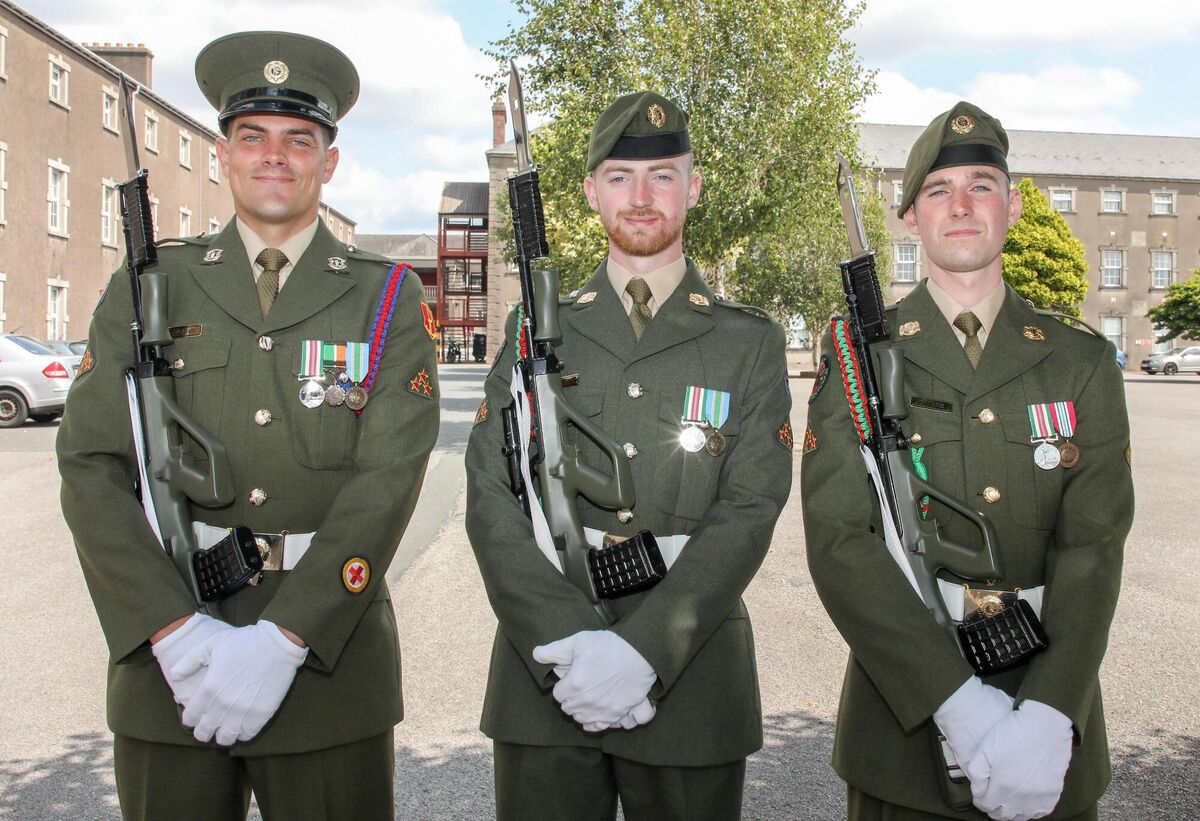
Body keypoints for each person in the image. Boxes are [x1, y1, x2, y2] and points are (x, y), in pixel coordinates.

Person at [56, 31, 438, 821]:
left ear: (328, 163)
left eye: (299, 139)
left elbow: (388, 479)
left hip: (328, 666)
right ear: (224, 154)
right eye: (252, 136)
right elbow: (91, 465)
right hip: (172, 673)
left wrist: (285, 635)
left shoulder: (388, 297)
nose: (275, 156)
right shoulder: (149, 287)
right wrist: (170, 630)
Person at [464, 92, 793, 820]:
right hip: (544, 675)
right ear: (589, 192)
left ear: (694, 188)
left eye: (663, 176)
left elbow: (751, 506)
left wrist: (645, 649)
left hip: (692, 677)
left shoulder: (750, 341)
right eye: (618, 176)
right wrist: (569, 640)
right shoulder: (536, 328)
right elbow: (490, 493)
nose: (640, 197)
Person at [801, 101, 1133, 821]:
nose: (961, 206)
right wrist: (955, 701)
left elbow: (1093, 549)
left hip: (1052, 732)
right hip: (905, 738)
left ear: (1011, 205)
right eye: (937, 191)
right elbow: (840, 543)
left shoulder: (1079, 360)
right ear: (910, 217)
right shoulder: (858, 355)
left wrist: (1047, 713)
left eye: (981, 185)